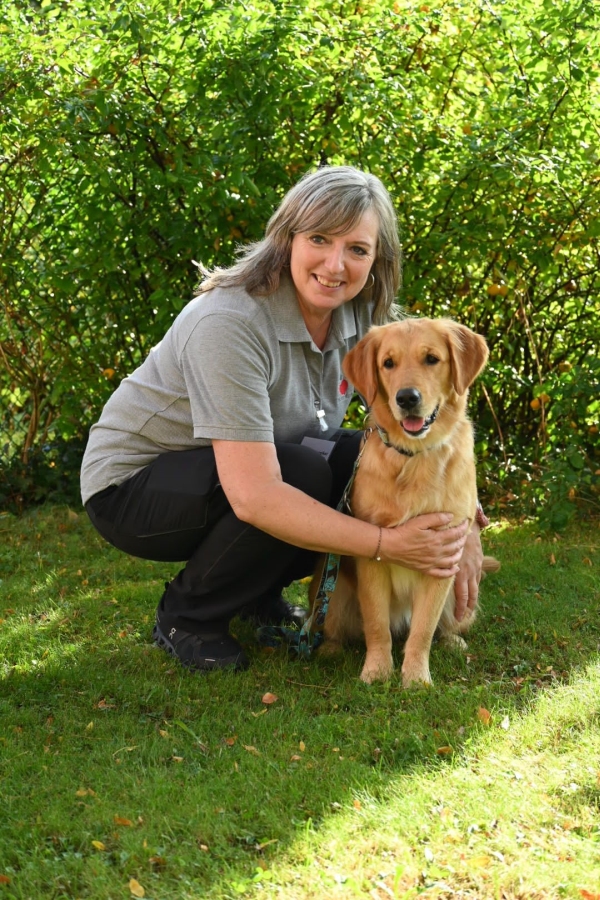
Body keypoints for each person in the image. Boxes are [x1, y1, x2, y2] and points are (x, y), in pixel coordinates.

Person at [81, 165, 484, 673]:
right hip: (134, 488)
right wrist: (388, 544)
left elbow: (415, 428)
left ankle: (253, 593)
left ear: (376, 259)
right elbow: (255, 494)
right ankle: (188, 617)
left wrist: (462, 524)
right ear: (286, 236)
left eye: (357, 250)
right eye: (319, 238)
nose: (336, 265)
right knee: (306, 475)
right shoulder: (230, 322)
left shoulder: (355, 312)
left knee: (345, 458)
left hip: (246, 467)